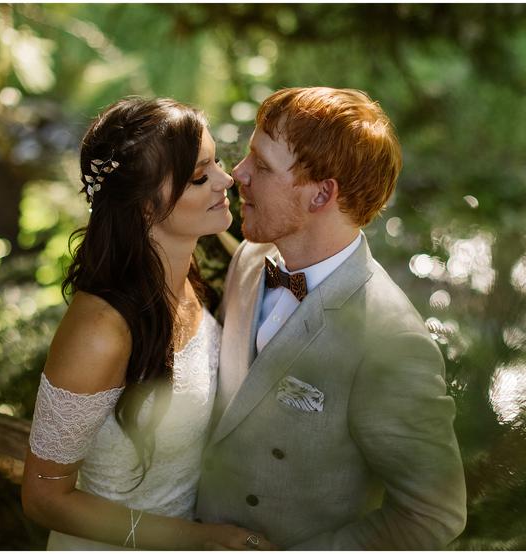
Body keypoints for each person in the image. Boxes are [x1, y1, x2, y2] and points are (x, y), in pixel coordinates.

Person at [196, 87, 467, 549]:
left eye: (262, 166)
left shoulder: (392, 342)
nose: (236, 174)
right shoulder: (250, 257)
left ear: (323, 193)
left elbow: (432, 514)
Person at [21, 97, 275, 551]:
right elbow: (43, 499)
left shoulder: (194, 273)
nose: (227, 178)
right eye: (200, 177)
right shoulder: (99, 334)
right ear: (143, 207)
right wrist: (197, 539)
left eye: (216, 161)